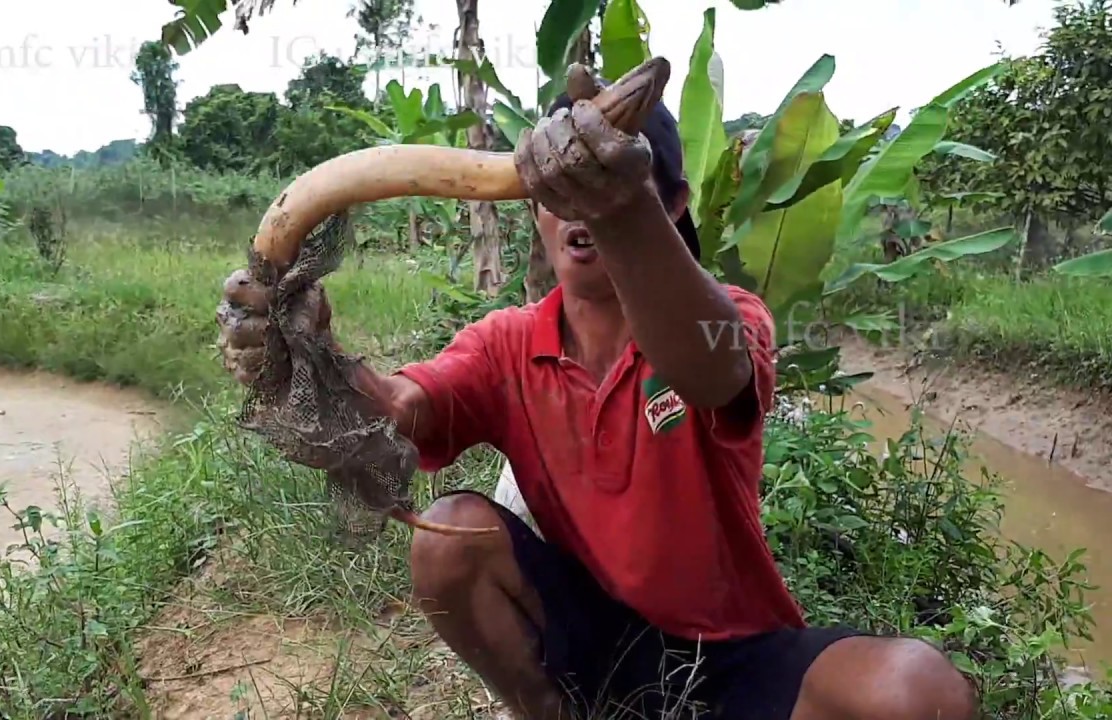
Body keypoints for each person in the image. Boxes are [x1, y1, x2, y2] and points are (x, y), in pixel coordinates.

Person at [217, 65, 979, 720]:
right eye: (559, 189)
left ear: (670, 204)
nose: (577, 206)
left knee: (920, 691)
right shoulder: (507, 344)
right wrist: (305, 360)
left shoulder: (729, 317)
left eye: (607, 184)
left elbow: (711, 373)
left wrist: (620, 207)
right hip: (596, 638)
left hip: (740, 653)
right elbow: (397, 415)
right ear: (536, 209)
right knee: (450, 537)